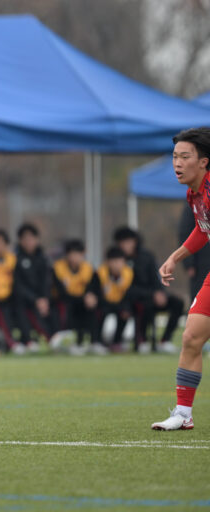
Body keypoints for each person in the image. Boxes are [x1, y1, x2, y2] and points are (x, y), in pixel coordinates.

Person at [153, 127, 210, 431]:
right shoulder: (195, 194)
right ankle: (183, 414)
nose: (177, 163)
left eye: (184, 156)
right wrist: (174, 258)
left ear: (203, 162)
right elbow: (203, 229)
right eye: (175, 156)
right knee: (190, 338)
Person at [115, 226, 183, 354]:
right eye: (123, 242)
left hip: (154, 295)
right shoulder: (119, 260)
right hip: (134, 299)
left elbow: (156, 277)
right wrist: (153, 294)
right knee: (145, 305)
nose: (126, 245)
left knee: (178, 303)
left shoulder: (147, 256)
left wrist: (161, 292)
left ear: (135, 241)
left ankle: (165, 341)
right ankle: (142, 341)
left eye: (128, 242)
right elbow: (127, 287)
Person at [51, 239, 98, 355]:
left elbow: (92, 288)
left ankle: (94, 342)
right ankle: (69, 342)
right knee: (67, 310)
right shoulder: (58, 268)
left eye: (78, 254)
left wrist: (90, 296)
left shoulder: (88, 269)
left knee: (92, 307)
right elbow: (61, 292)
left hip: (82, 302)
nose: (75, 258)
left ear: (83, 254)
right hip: (64, 301)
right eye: (72, 254)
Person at [13, 223, 53, 352]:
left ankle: (54, 339)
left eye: (31, 238)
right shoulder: (15, 259)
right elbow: (18, 285)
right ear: (20, 241)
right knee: (20, 308)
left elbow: (46, 282)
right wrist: (35, 300)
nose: (28, 242)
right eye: (25, 239)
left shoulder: (44, 259)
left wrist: (44, 299)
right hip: (24, 299)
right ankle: (28, 341)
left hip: (42, 300)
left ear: (37, 240)